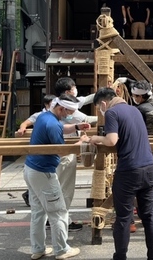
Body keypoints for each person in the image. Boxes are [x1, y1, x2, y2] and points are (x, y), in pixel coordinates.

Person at [89, 88, 153, 260]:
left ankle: (120, 257)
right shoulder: (135, 110)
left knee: (123, 217)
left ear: (104, 103)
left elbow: (112, 140)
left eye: (99, 107)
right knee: (149, 215)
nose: (101, 110)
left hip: (129, 169)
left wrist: (95, 139)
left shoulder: (111, 113)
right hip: (148, 167)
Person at [23, 94, 90, 260]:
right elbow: (61, 151)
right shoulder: (52, 123)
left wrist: (76, 127)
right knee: (58, 211)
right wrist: (81, 142)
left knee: (38, 212)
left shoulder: (45, 116)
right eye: (69, 113)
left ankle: (38, 249)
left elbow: (60, 128)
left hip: (30, 169)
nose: (70, 116)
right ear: (61, 108)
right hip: (43, 172)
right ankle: (61, 250)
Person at [54, 77, 97, 232]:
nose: (71, 113)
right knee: (65, 190)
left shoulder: (60, 104)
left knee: (57, 189)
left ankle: (56, 220)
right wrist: (107, 116)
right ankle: (63, 222)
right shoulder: (64, 109)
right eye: (74, 87)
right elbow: (84, 118)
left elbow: (85, 100)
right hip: (65, 153)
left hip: (61, 153)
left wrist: (103, 91)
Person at [130, 80, 153, 232]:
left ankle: (129, 221)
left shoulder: (139, 110)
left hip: (140, 151)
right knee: (149, 185)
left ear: (139, 97)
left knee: (130, 185)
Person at [17, 94, 56, 207]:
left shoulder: (56, 115)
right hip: (41, 147)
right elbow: (25, 123)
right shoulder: (39, 115)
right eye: (51, 104)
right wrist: (22, 128)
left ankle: (34, 195)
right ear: (46, 105)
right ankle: (31, 195)